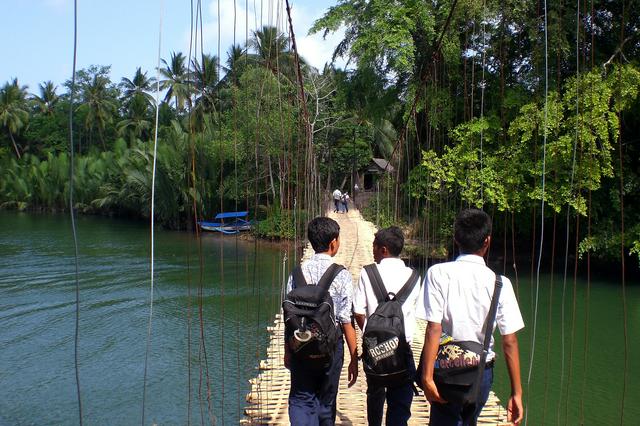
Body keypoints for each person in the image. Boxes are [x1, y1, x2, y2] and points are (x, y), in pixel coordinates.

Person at [418, 208, 524, 425]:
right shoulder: (501, 283)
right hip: (480, 372)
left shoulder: (438, 273)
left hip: (445, 368)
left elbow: (433, 329)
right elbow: (509, 341)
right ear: (487, 241)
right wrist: (517, 393)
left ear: (456, 239)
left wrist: (427, 377)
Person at [284, 216, 359, 425]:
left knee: (301, 398)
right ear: (333, 242)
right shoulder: (341, 275)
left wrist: (286, 349)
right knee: (326, 402)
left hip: (299, 343)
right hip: (330, 348)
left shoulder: (296, 273)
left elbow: (288, 314)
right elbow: (345, 319)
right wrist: (354, 356)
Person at [354, 226, 422, 426]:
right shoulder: (414, 277)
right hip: (403, 348)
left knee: (375, 393)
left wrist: (371, 331)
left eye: (374, 247)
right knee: (400, 403)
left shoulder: (368, 273)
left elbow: (358, 311)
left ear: (383, 249)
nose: (372, 251)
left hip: (375, 348)